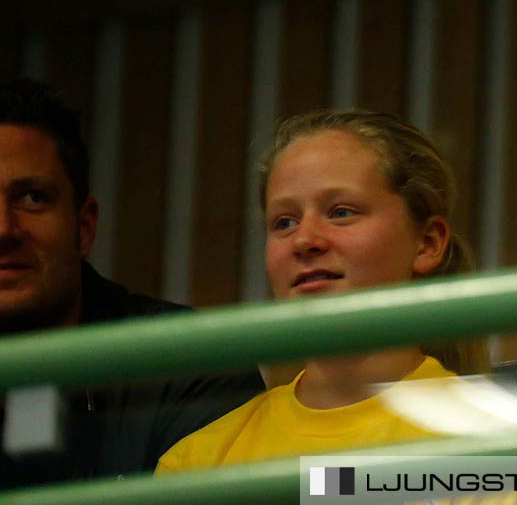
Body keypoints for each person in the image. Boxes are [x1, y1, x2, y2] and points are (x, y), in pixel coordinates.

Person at [157, 110, 481, 471]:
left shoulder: (496, 441)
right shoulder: (198, 463)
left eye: (341, 212)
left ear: (427, 243)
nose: (304, 240)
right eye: (285, 222)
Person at [0, 77, 262, 487]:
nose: (4, 229)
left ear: (84, 227)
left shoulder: (191, 363)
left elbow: (348, 487)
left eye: (32, 197)